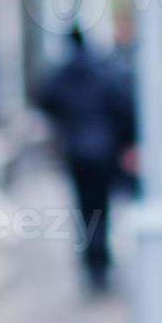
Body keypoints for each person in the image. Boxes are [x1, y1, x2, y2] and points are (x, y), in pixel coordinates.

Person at [33, 25, 136, 295]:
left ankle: (94, 262)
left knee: (86, 211)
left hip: (78, 154)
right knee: (102, 208)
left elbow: (45, 100)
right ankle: (101, 259)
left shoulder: (63, 75)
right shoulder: (105, 72)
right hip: (103, 153)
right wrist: (125, 141)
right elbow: (123, 106)